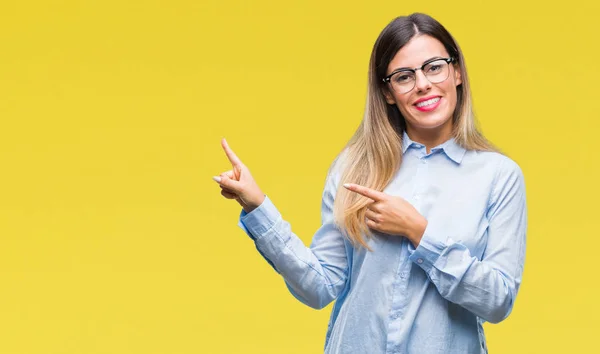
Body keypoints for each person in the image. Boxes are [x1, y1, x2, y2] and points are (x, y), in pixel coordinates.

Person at [213, 12, 527, 354]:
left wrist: (419, 232)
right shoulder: (354, 167)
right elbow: (319, 286)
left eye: (434, 67)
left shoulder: (498, 176)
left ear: (457, 72)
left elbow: (497, 300)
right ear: (388, 92)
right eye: (404, 76)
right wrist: (258, 207)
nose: (422, 84)